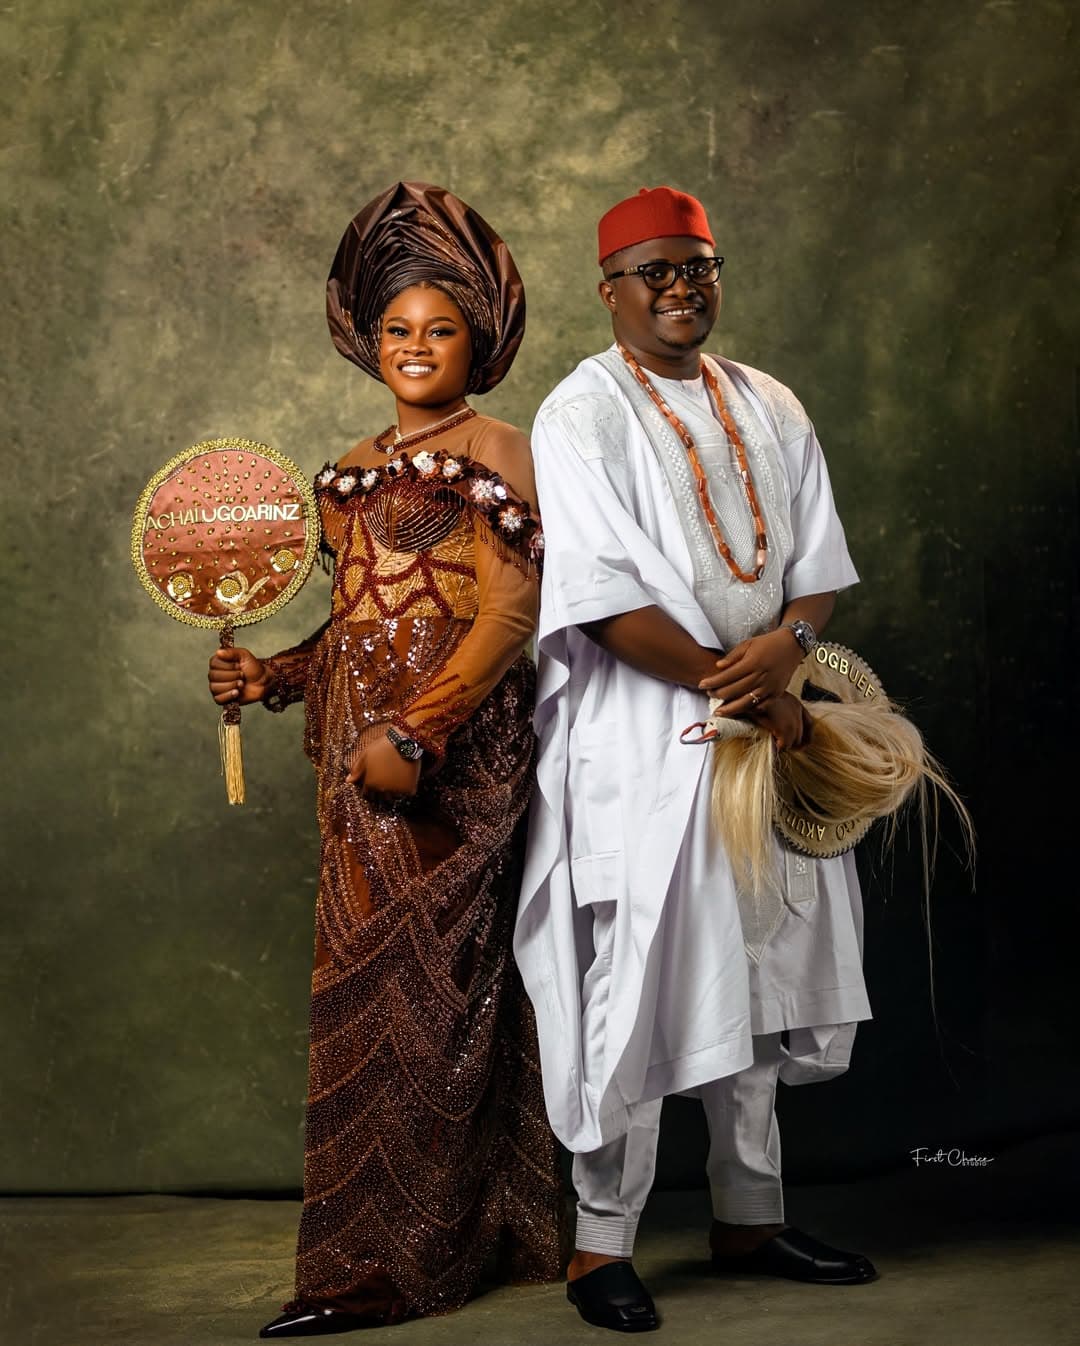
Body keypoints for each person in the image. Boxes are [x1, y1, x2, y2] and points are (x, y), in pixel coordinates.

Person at [515, 186, 876, 1334]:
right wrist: (748, 687)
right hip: (647, 737)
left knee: (759, 970)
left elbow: (814, 561)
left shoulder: (768, 400)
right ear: (611, 286)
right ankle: (599, 1245)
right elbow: (600, 599)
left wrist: (792, 650)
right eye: (658, 270)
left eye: (701, 267)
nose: (682, 287)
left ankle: (750, 1213)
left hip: (766, 719)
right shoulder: (581, 414)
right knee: (638, 985)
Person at [208, 181, 564, 1338]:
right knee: (367, 995)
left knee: (428, 991)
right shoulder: (352, 462)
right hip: (354, 760)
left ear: (482, 340)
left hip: (444, 761)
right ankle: (473, 1230)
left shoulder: (501, 448)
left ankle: (391, 1267)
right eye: (398, 330)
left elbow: (511, 611)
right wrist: (274, 673)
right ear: (370, 340)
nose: (416, 347)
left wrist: (420, 729)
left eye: (441, 329)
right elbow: (359, 619)